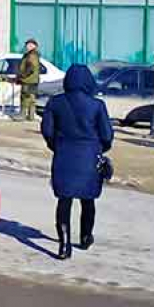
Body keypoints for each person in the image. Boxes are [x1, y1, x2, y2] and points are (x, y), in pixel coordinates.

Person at [42, 64, 113, 261]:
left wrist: (57, 146)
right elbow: (107, 135)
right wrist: (99, 149)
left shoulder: (55, 103)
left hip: (64, 155)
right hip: (89, 156)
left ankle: (64, 245)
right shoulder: (97, 105)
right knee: (88, 200)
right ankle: (85, 236)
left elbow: (47, 130)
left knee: (64, 201)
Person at [16, 39, 41, 122]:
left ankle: (22, 115)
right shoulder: (32, 54)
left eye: (30, 45)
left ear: (34, 46)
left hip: (28, 80)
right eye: (27, 45)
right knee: (31, 98)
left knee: (25, 97)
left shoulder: (31, 55)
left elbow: (31, 67)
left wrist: (23, 75)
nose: (27, 46)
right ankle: (31, 116)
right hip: (33, 80)